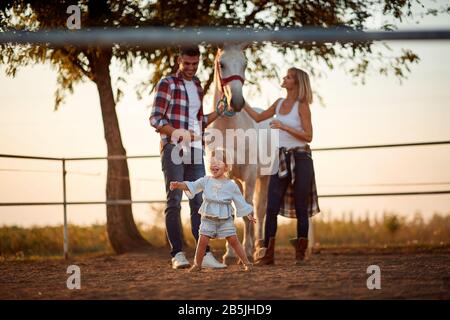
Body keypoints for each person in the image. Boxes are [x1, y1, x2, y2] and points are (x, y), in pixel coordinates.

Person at [150, 46, 225, 269]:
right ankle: (177, 254)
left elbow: (199, 122)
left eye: (195, 64)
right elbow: (155, 119)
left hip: (195, 150)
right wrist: (178, 133)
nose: (191, 68)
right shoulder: (167, 83)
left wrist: (219, 113)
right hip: (173, 148)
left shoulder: (198, 86)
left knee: (199, 202)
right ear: (179, 61)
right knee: (174, 202)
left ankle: (205, 254)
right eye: (187, 64)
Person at [243, 67, 320, 265]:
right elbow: (258, 118)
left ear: (296, 83)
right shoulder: (278, 103)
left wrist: (283, 126)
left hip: (301, 159)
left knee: (301, 207)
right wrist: (240, 101)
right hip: (281, 159)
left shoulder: (302, 106)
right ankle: (268, 254)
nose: (284, 79)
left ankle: (300, 254)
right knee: (271, 206)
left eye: (289, 77)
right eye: (285, 76)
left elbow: (308, 136)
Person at [170, 149, 256, 272]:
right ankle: (197, 264)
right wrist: (179, 185)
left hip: (225, 218)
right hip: (208, 217)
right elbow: (192, 185)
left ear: (227, 167)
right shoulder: (206, 181)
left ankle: (247, 263)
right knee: (202, 241)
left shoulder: (231, 185)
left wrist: (248, 214)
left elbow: (240, 201)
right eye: (212, 162)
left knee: (233, 240)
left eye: (219, 162)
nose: (214, 165)